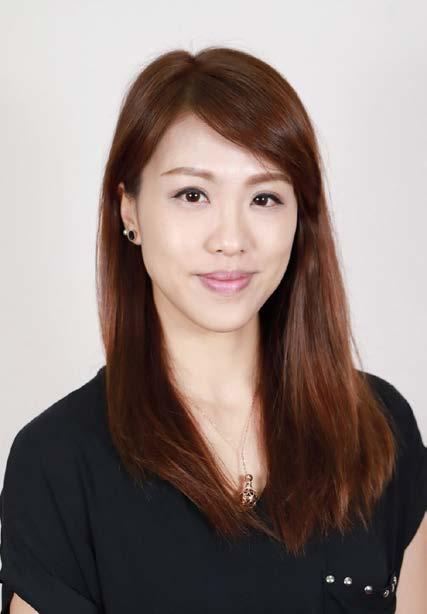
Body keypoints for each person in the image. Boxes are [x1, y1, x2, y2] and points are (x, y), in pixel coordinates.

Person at [1, 46, 426, 614]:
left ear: (300, 219)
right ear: (129, 210)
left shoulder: (380, 428)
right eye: (193, 195)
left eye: (264, 197)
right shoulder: (57, 463)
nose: (231, 239)